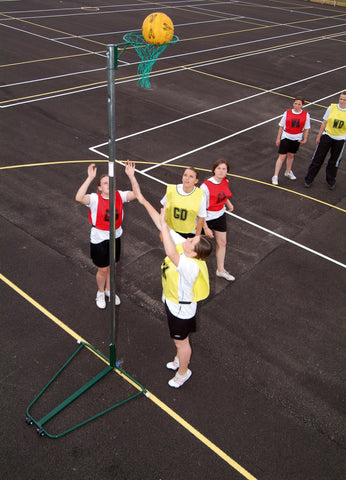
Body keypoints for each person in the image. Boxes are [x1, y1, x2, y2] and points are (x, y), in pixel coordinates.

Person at [126, 162, 213, 388]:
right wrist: (133, 180)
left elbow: (169, 250)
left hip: (181, 309)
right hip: (174, 300)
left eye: (191, 240)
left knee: (181, 342)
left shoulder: (189, 265)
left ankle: (183, 371)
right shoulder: (187, 250)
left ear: (194, 252)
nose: (188, 238)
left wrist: (165, 226)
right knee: (179, 342)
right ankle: (178, 359)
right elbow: (151, 212)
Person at [75, 162, 136, 309]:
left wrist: (131, 176)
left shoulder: (119, 195)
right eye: (105, 183)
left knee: (112, 267)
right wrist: (90, 178)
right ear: (100, 187)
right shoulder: (95, 199)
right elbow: (79, 197)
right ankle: (100, 292)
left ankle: (110, 290)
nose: (109, 184)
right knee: (103, 269)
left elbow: (136, 194)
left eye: (111, 182)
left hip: (115, 237)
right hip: (99, 239)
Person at [200, 159, 235, 282]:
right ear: (214, 170)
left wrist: (228, 203)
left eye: (224, 169)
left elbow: (223, 194)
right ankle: (194, 270)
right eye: (219, 168)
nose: (221, 171)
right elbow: (200, 209)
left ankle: (220, 270)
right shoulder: (205, 186)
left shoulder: (225, 181)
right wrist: (205, 227)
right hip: (206, 218)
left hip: (220, 215)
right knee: (197, 246)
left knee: (222, 243)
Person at [304, 91, 346, 190]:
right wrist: (319, 136)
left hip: (340, 140)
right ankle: (309, 179)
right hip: (327, 136)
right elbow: (324, 123)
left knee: (334, 162)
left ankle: (331, 180)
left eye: (344, 100)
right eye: (340, 99)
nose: (342, 101)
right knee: (318, 158)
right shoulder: (331, 108)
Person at [272, 97, 310, 185]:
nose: (296, 106)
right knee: (282, 156)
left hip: (296, 138)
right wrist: (278, 138)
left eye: (299, 104)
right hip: (286, 136)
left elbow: (307, 128)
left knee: (291, 155)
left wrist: (305, 139)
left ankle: (288, 172)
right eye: (295, 103)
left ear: (302, 105)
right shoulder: (287, 112)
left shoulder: (306, 115)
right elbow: (281, 126)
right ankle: (275, 176)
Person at [160, 167, 207, 238]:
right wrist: (162, 230)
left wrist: (197, 237)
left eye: (191, 176)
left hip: (190, 233)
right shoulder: (172, 190)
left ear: (196, 181)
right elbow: (164, 211)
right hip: (172, 230)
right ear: (182, 177)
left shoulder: (200, 196)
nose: (187, 178)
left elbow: (201, 218)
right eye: (185, 175)